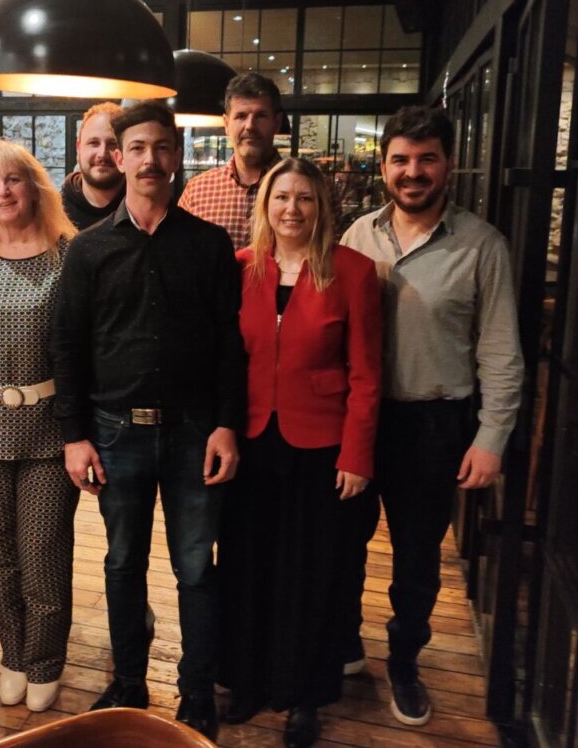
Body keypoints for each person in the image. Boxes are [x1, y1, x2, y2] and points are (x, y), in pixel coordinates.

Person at [52, 101, 245, 740]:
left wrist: (226, 424)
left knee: (196, 567)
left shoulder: (209, 245)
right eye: (137, 148)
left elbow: (230, 342)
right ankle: (130, 681)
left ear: (177, 156)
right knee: (121, 562)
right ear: (119, 156)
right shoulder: (89, 250)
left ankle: (197, 692)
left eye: (162, 147)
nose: (149, 160)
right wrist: (74, 436)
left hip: (194, 432)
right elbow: (67, 346)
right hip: (115, 432)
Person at [340, 106, 523, 726]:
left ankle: (404, 662)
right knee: (344, 542)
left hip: (434, 425)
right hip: (358, 420)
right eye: (400, 159)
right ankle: (344, 642)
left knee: (417, 558)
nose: (412, 172)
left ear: (448, 164)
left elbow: (501, 352)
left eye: (426, 159)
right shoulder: (356, 235)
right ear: (383, 165)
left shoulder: (482, 246)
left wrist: (491, 437)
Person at [217, 158, 381, 747]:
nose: (292, 209)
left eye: (305, 198)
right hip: (251, 440)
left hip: (322, 445)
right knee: (247, 565)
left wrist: (357, 454)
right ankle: (247, 680)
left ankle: (306, 694)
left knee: (313, 573)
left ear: (322, 207)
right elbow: (225, 360)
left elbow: (367, 374)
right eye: (281, 197)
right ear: (265, 206)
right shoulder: (240, 268)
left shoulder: (354, 271)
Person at [0, 140, 79, 713]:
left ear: (34, 187)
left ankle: (45, 660)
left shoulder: (69, 255)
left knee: (42, 551)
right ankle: (12, 653)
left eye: (13, 180)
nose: (2, 191)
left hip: (50, 432)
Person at [178, 72, 284, 250]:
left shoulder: (309, 190)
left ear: (277, 123)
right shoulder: (197, 190)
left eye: (260, 116)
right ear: (226, 124)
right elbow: (179, 254)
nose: (250, 126)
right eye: (241, 116)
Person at [61, 102, 124, 230]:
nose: (102, 154)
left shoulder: (143, 211)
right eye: (94, 143)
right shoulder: (53, 212)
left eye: (113, 144)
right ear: (78, 149)